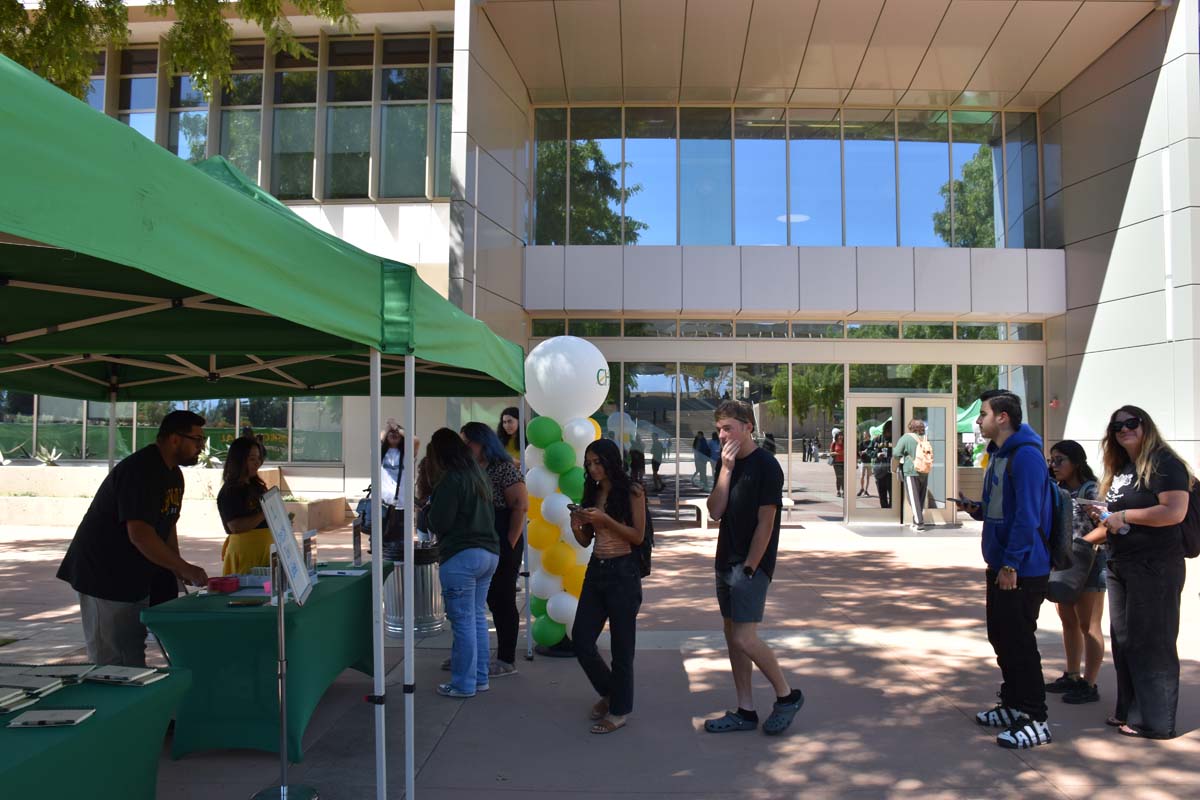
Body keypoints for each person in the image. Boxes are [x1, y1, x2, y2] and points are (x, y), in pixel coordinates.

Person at [56, 410, 210, 667]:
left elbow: (167, 523)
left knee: (132, 658)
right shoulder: (141, 471)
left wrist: (176, 565)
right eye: (197, 440)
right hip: (103, 577)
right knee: (111, 664)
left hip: (134, 577)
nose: (201, 447)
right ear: (174, 439)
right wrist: (183, 567)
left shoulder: (173, 473)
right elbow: (140, 534)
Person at [1080, 406, 1191, 739]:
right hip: (1120, 563)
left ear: (1147, 426)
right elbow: (1117, 517)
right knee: (1126, 640)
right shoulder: (1123, 467)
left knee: (1152, 641)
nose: (1124, 429)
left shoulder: (1164, 464)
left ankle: (1155, 721)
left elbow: (1174, 511)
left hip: (1155, 566)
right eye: (1117, 426)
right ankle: (1129, 710)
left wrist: (1125, 516)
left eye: (1132, 423)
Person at [703, 401, 804, 736]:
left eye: (728, 427)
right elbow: (715, 510)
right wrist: (726, 469)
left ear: (748, 427)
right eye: (719, 429)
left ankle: (787, 696)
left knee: (745, 637)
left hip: (751, 566)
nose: (722, 435)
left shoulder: (767, 465)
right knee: (733, 637)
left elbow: (766, 523)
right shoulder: (726, 463)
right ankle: (745, 709)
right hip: (724, 561)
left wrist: (749, 567)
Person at [960, 390, 1054, 749]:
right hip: (1002, 564)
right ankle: (1014, 705)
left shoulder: (1026, 456)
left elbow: (1027, 515)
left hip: (1022, 569)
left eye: (982, 414)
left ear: (1002, 417)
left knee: (1019, 641)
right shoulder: (998, 454)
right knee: (1002, 638)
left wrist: (1012, 562)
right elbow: (1003, 506)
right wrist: (978, 509)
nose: (978, 420)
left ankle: (1035, 716)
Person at [569, 438, 647, 734]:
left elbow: (637, 536)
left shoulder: (633, 491)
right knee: (581, 639)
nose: (593, 468)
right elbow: (586, 540)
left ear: (611, 461)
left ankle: (619, 711)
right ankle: (611, 691)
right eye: (588, 463)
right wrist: (577, 525)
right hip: (596, 568)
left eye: (597, 462)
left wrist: (605, 518)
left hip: (623, 572)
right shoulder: (593, 490)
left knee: (622, 647)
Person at [425, 428, 499, 698]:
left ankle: (463, 684)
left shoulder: (450, 480)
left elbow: (439, 522)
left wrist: (427, 513)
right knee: (477, 618)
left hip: (460, 556)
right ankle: (479, 678)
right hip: (488, 553)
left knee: (464, 622)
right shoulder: (478, 476)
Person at [461, 422, 528, 679]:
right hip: (476, 537)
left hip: (501, 536)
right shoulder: (469, 469)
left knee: (501, 598)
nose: (465, 447)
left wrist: (510, 542)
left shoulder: (504, 469)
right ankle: (467, 652)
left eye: (469, 442)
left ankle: (506, 658)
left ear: (483, 442)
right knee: (474, 599)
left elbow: (520, 506)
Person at [1043, 440, 1105, 705]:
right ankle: (1071, 674)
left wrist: (1082, 544)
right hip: (1063, 562)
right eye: (1051, 460)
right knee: (1067, 620)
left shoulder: (1092, 489)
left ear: (1076, 462)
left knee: (1088, 625)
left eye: (1059, 460)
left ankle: (1089, 683)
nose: (1053, 465)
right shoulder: (1055, 489)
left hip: (1090, 562)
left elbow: (1106, 526)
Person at [218, 436, 273, 575]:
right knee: (247, 595)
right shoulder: (229, 491)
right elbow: (236, 527)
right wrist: (266, 512)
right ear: (239, 460)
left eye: (258, 458)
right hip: (245, 556)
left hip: (266, 553)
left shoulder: (257, 487)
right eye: (252, 459)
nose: (257, 463)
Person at [379, 420, 418, 544]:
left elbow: (415, 440)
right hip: (383, 505)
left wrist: (397, 428)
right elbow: (378, 437)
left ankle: (400, 563)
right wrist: (388, 427)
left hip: (403, 505)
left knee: (402, 541)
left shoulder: (407, 453)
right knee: (381, 541)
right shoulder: (380, 453)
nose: (394, 434)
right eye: (391, 433)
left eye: (397, 433)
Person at [894, 419, 930, 530]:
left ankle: (919, 523)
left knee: (913, 498)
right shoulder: (925, 438)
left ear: (911, 427)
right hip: (924, 470)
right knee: (920, 497)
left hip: (911, 470)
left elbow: (896, 453)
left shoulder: (906, 438)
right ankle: (916, 521)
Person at [872, 428, 893, 509]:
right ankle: (885, 510)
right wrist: (877, 454)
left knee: (893, 494)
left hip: (891, 471)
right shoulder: (877, 439)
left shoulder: (895, 438)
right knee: (882, 493)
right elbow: (869, 451)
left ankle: (891, 510)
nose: (888, 434)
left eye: (890, 432)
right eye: (887, 432)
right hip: (880, 471)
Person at [856, 432, 872, 497]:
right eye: (864, 435)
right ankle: (862, 488)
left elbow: (872, 450)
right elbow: (859, 453)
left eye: (865, 435)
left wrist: (869, 451)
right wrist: (863, 452)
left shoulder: (871, 442)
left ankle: (866, 490)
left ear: (869, 436)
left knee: (868, 477)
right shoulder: (861, 443)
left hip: (869, 462)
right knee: (862, 476)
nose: (864, 436)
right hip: (863, 461)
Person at [831, 431, 845, 498]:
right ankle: (838, 491)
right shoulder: (834, 444)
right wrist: (838, 453)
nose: (840, 437)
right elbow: (831, 453)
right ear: (836, 436)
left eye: (841, 435)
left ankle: (843, 491)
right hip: (836, 463)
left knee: (844, 477)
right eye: (839, 435)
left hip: (844, 462)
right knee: (839, 477)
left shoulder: (845, 444)